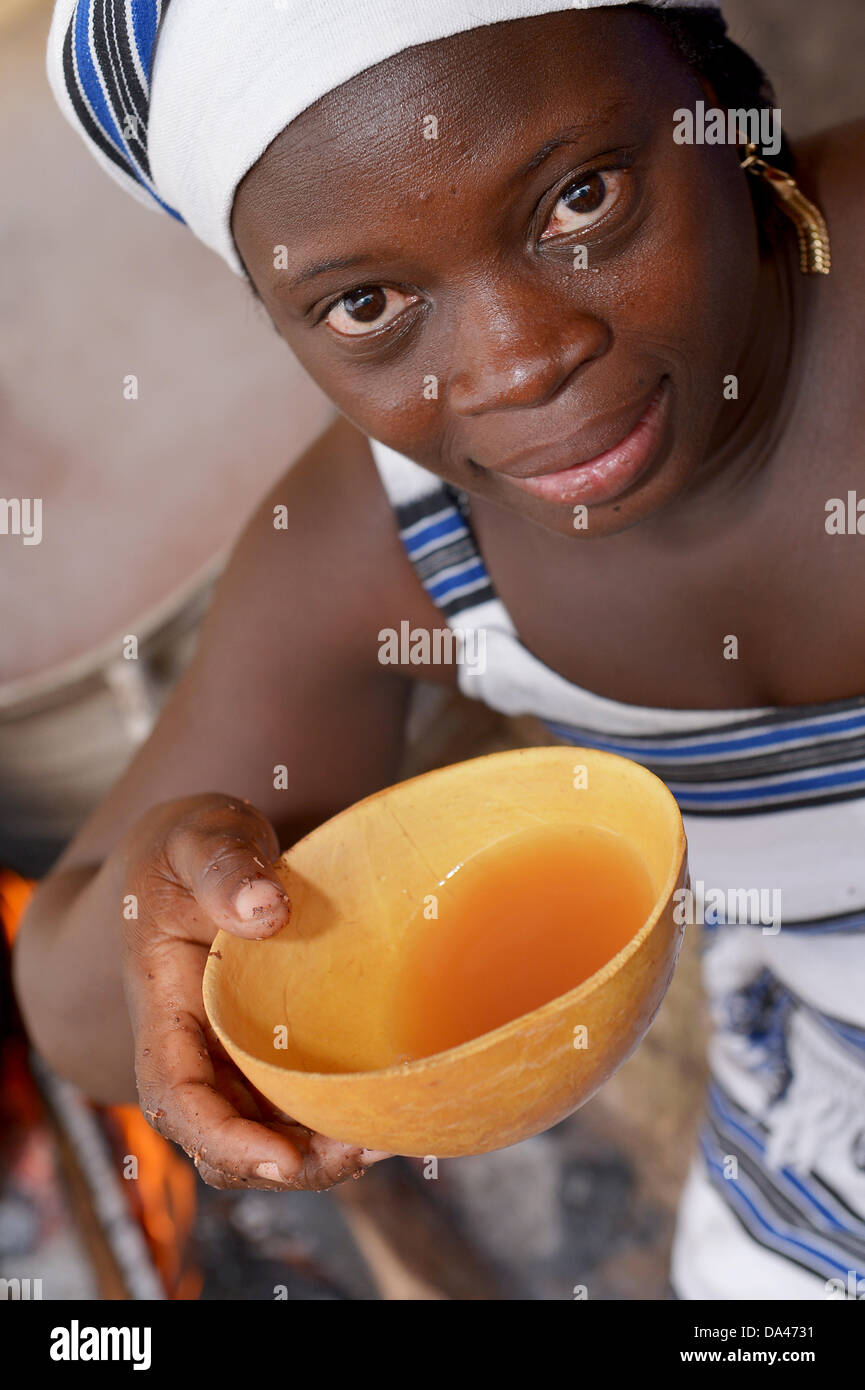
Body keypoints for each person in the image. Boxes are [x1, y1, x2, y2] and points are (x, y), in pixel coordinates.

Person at [15, 0, 865, 1298]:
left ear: (713, 98)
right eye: (364, 302)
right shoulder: (385, 544)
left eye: (579, 199)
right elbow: (74, 992)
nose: (520, 363)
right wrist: (161, 900)